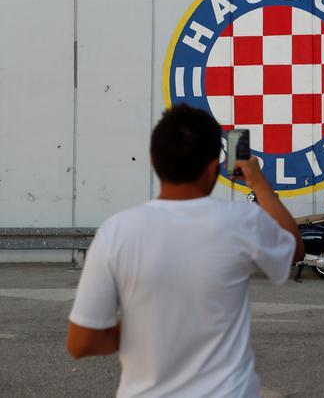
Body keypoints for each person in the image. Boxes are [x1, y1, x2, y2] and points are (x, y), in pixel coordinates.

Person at [66, 104, 304, 397]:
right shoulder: (243, 221)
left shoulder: (116, 232)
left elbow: (81, 343)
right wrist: (258, 182)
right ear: (212, 167)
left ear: (153, 162)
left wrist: (145, 328)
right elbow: (294, 249)